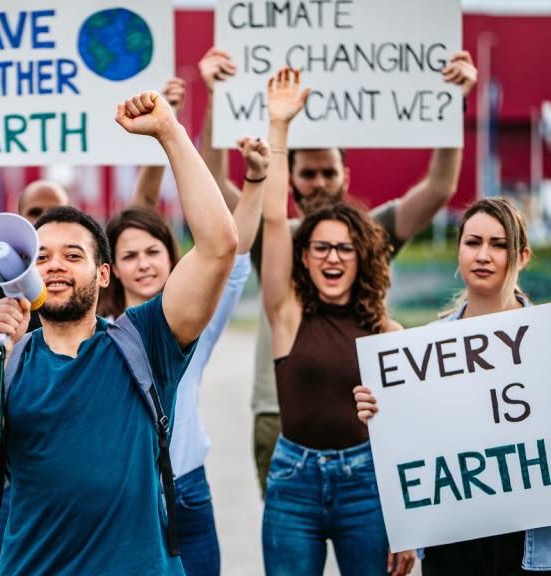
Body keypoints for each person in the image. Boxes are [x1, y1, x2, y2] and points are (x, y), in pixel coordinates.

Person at [0, 89, 238, 575]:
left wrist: (169, 132)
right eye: (40, 257)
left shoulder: (145, 341)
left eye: (73, 255)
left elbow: (219, 246)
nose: (55, 265)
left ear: (104, 275)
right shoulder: (7, 360)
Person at [196, 46, 479, 494]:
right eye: (309, 174)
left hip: (368, 406)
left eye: (329, 172)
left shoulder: (373, 232)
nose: (321, 183)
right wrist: (214, 97)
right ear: (290, 179)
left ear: (345, 175)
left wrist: (454, 104)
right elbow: (212, 186)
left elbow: (440, 187)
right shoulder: (277, 236)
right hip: (279, 409)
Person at [259, 67, 414, 575]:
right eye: (320, 247)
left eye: (345, 248)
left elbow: (417, 436)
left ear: (362, 257)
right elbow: (275, 220)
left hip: (367, 486)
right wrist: (278, 127)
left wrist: (409, 523)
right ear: (304, 257)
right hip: (292, 482)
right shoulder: (287, 314)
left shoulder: (389, 334)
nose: (332, 257)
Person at [355, 197, 551, 575]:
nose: (483, 255)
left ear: (522, 256)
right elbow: (412, 447)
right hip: (451, 545)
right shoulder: (425, 348)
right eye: (473, 242)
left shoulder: (544, 341)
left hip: (525, 542)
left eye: (499, 244)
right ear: (459, 252)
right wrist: (379, 416)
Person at [100, 135, 266, 576]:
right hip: (121, 495)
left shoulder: (196, 323)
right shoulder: (95, 329)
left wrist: (255, 179)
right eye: (129, 255)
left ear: (172, 257)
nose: (143, 263)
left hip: (187, 489)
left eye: (153, 251)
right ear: (111, 268)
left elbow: (234, 254)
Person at [0, 78, 187, 328]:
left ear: (104, 274)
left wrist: (163, 128)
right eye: (36, 212)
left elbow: (142, 208)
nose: (46, 219)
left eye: (57, 211)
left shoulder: (88, 268)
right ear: (19, 218)